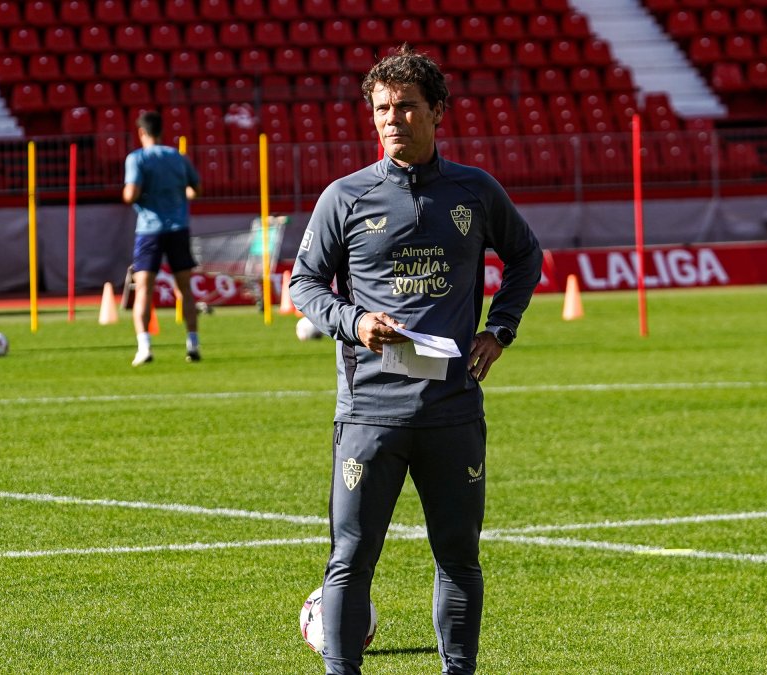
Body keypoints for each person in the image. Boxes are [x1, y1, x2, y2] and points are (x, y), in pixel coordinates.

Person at [289, 45, 543, 675]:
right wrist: (355, 321)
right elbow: (303, 283)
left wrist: (500, 330)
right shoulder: (344, 198)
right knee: (350, 558)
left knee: (458, 556)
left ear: (437, 113)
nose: (392, 119)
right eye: (381, 109)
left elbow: (525, 255)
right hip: (371, 412)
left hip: (452, 410)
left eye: (405, 107)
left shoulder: (474, 191)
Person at [122, 110, 203, 366]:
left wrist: (130, 195)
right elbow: (196, 188)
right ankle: (193, 343)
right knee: (184, 289)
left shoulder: (137, 158)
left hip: (150, 229)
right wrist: (179, 197)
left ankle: (144, 346)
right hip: (178, 227)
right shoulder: (177, 157)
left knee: (144, 287)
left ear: (141, 132)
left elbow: (132, 193)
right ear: (162, 131)